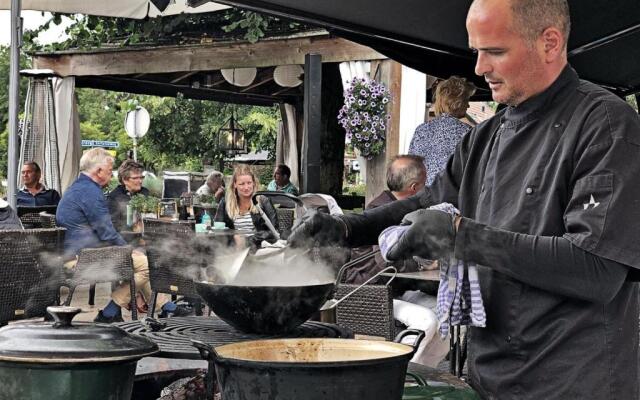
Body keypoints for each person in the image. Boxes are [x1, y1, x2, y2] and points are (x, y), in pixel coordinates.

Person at [289, 0, 640, 398]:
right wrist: (345, 227)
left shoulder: (606, 125)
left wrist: (460, 236)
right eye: (477, 52)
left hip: (573, 381)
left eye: (495, 51)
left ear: (550, 43)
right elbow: (421, 204)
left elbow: (597, 270)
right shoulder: (484, 137)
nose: (479, 68)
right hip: (490, 373)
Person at [56, 148, 187, 323]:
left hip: (79, 252)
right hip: (83, 258)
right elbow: (106, 231)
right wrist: (129, 249)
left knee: (141, 262)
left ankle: (166, 308)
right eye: (110, 171)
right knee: (145, 264)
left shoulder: (80, 188)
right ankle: (110, 311)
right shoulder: (90, 192)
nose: (112, 176)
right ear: (98, 171)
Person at [346, 154, 427, 284]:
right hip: (370, 290)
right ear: (414, 187)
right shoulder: (382, 212)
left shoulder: (391, 204)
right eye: (425, 184)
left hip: (387, 284)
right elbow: (387, 262)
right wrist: (423, 266)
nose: (427, 189)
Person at [408, 77, 475, 185]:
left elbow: (410, 167)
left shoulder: (421, 130)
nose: (468, 105)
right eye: (466, 100)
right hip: (451, 198)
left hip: (422, 197)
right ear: (457, 102)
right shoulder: (467, 132)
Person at [215, 164, 278, 246]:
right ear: (235, 184)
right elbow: (218, 229)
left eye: (249, 183)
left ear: (253, 183)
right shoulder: (225, 202)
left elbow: (274, 231)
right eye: (242, 184)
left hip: (259, 247)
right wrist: (233, 239)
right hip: (233, 249)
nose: (246, 187)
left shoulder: (263, 201)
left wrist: (248, 240)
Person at [107, 160, 150, 233]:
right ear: (124, 180)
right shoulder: (114, 197)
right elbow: (113, 227)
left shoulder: (145, 192)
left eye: (141, 177)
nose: (140, 181)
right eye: (135, 178)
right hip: (126, 238)